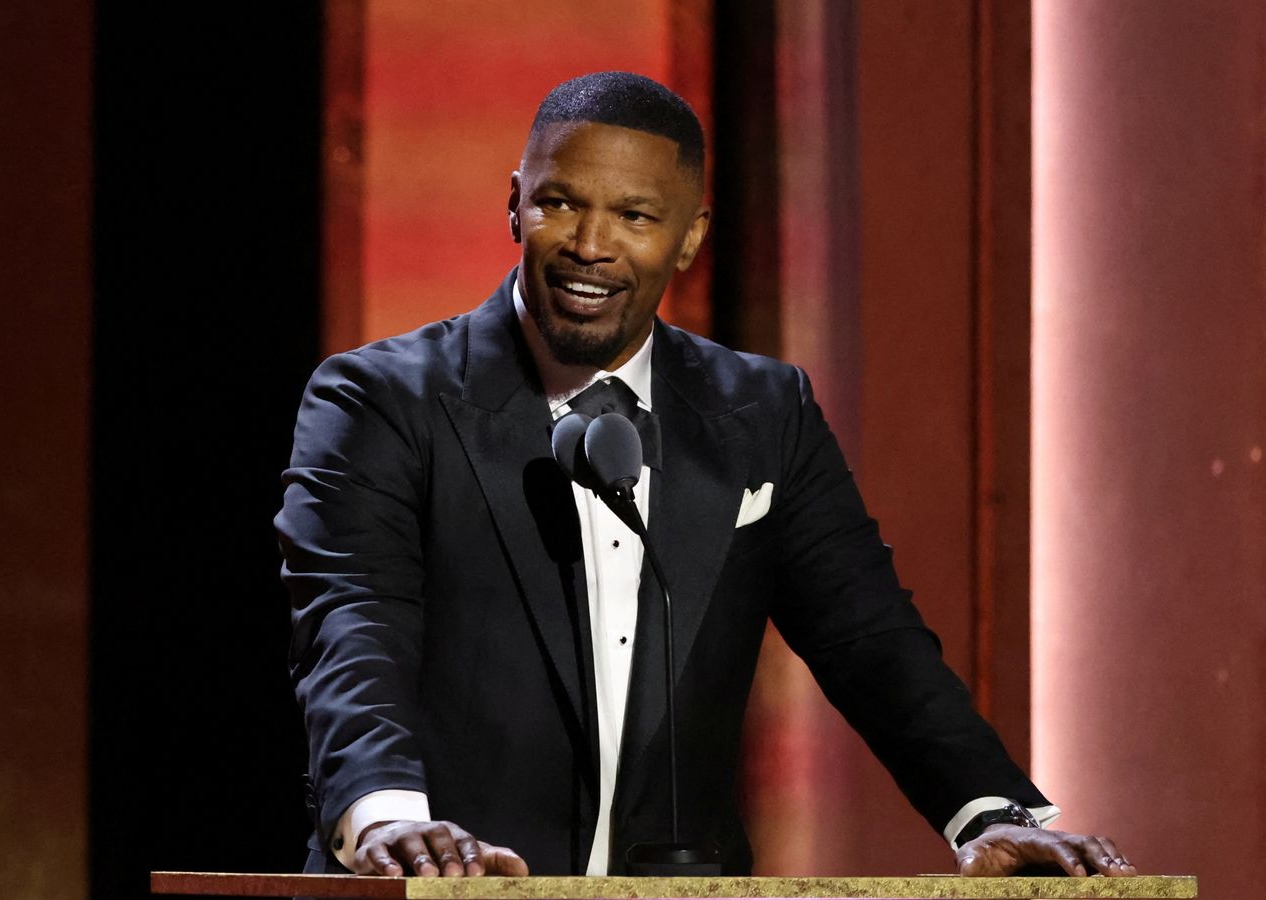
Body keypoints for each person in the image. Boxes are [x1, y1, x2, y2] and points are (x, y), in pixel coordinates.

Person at [276, 71, 1136, 880]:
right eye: (559, 203)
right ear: (514, 205)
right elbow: (353, 622)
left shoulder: (763, 413)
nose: (589, 245)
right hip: (453, 889)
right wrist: (386, 816)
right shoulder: (381, 399)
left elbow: (870, 639)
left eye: (636, 216)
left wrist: (988, 812)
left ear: (689, 237)